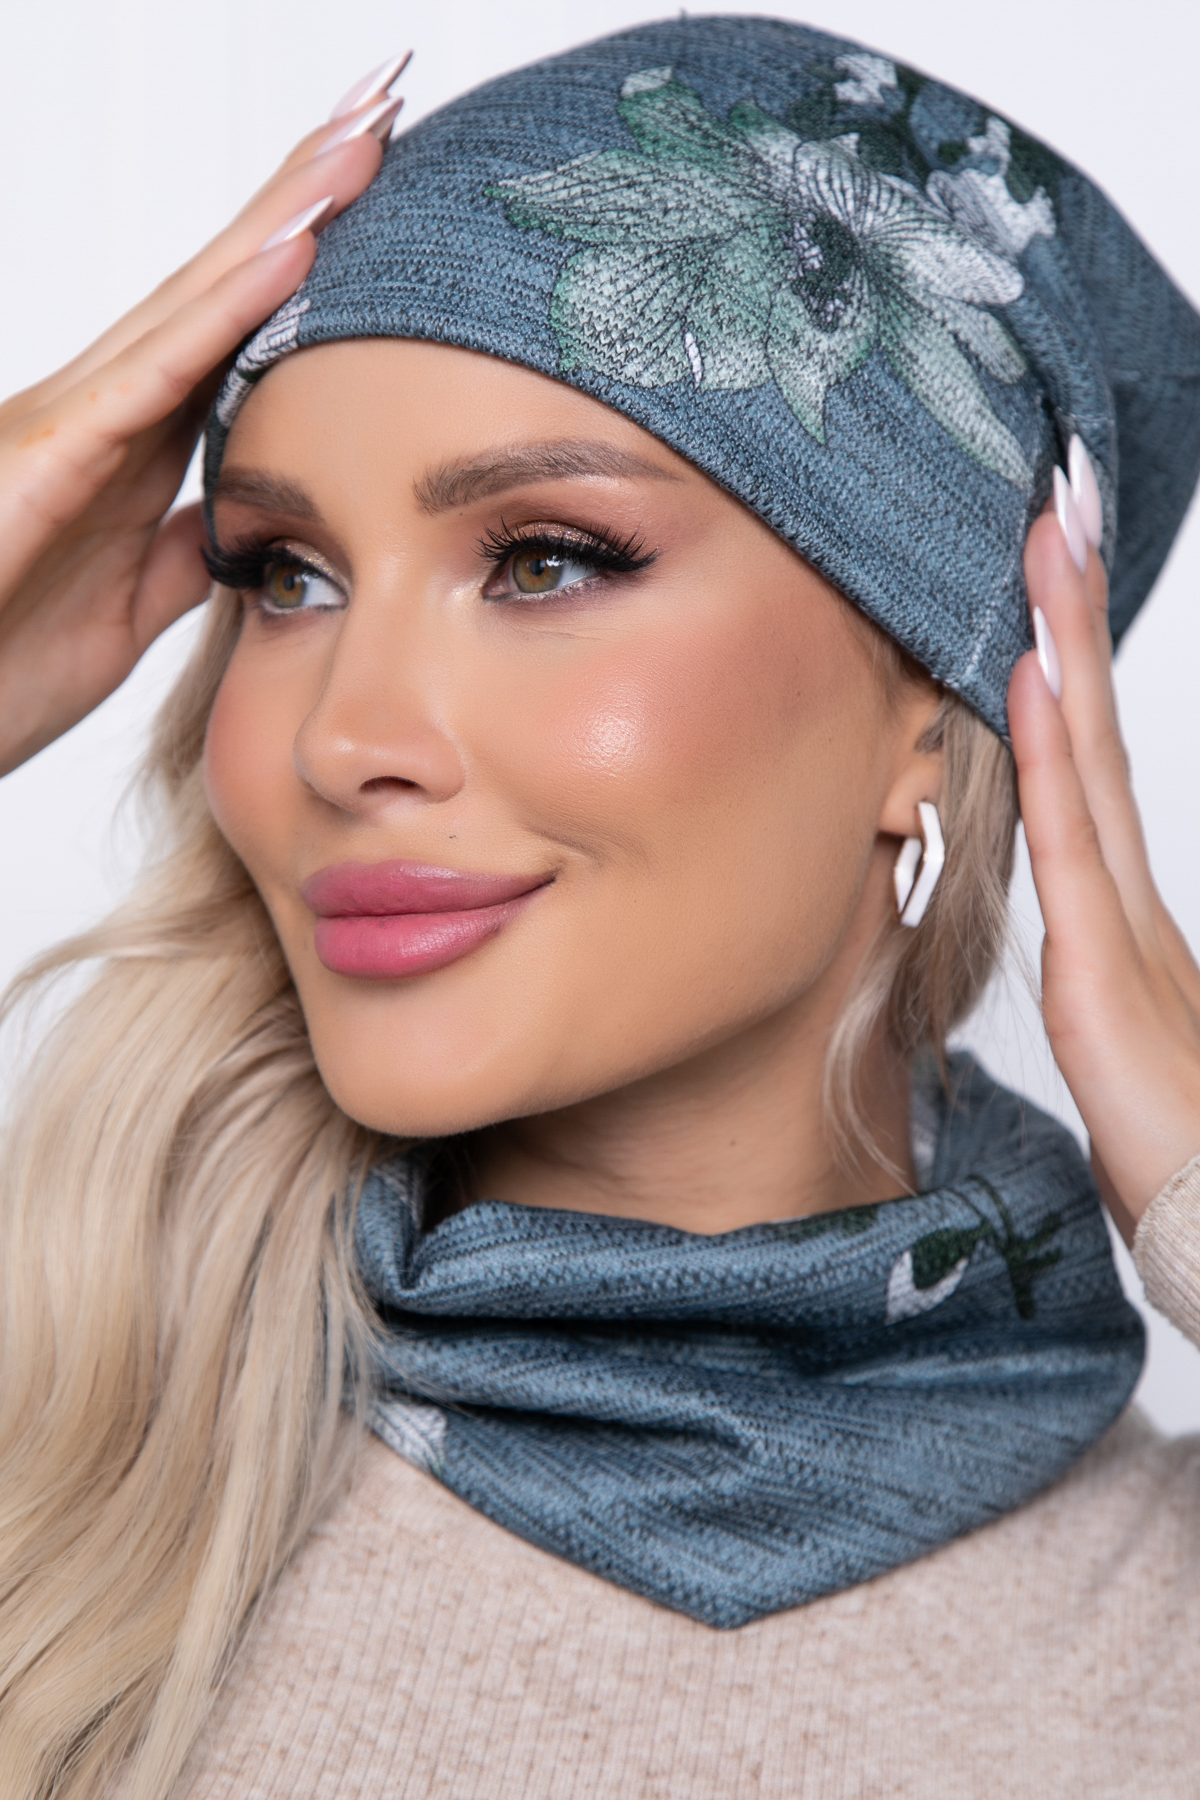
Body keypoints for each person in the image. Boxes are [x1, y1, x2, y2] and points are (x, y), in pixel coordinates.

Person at [2, 16, 1200, 1798]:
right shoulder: (54, 1507)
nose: (342, 739)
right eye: (287, 576)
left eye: (545, 559)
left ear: (934, 698)